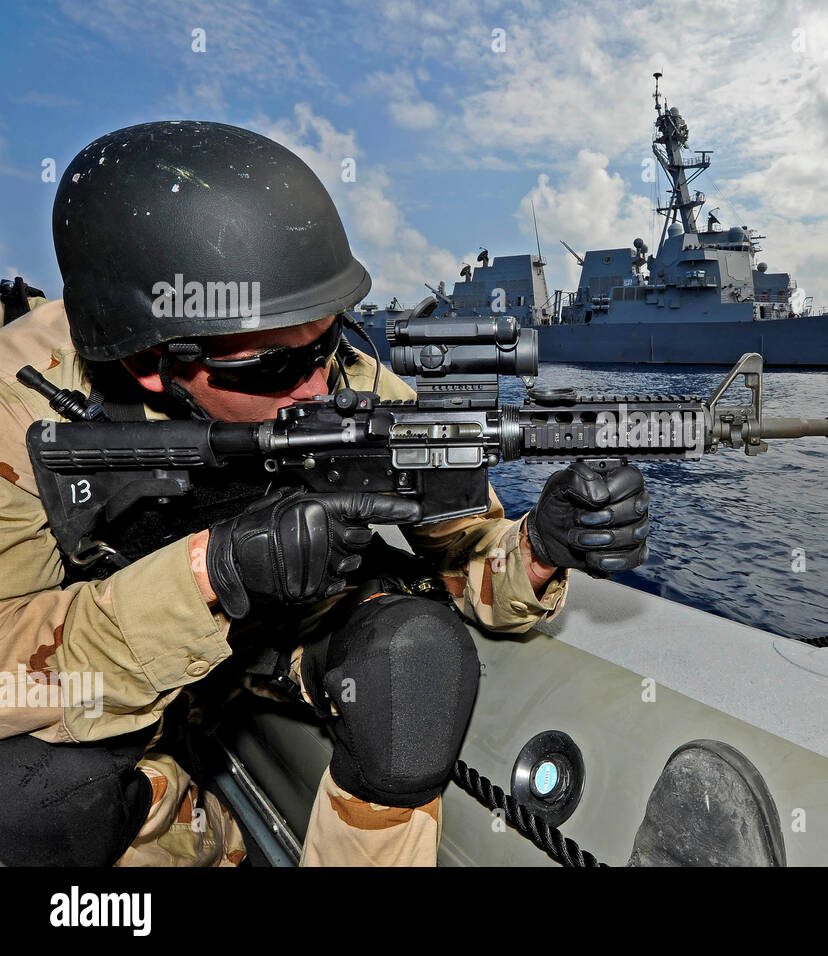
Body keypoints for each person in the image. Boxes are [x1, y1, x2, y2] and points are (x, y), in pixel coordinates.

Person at [0, 120, 650, 866]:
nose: (320, 386)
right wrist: (212, 577)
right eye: (275, 367)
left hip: (282, 649)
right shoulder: (22, 406)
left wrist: (540, 548)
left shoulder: (347, 378)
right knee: (27, 813)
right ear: (153, 362)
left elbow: (470, 562)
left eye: (329, 342)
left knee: (414, 664)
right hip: (111, 686)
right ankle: (187, 825)